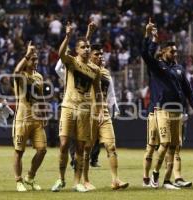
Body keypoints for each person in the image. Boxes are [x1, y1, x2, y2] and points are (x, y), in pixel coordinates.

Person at [141, 18, 193, 189]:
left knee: (175, 147)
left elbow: (188, 89)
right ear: (162, 52)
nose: (175, 55)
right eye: (172, 52)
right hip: (160, 110)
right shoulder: (156, 67)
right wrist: (149, 36)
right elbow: (146, 54)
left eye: (176, 52)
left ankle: (169, 180)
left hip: (178, 111)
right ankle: (151, 175)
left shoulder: (179, 69)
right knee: (160, 145)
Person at [51, 22, 103, 192]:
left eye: (88, 47)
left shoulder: (95, 69)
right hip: (68, 106)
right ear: (77, 50)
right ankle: (60, 179)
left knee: (81, 147)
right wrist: (67, 36)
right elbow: (60, 53)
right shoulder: (71, 62)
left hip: (85, 110)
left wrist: (100, 109)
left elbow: (98, 92)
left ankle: (77, 182)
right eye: (83, 47)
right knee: (64, 144)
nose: (87, 49)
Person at [82, 41, 129, 190]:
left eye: (101, 54)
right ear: (89, 56)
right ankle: (85, 180)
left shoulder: (106, 73)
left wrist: (114, 108)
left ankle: (115, 180)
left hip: (104, 113)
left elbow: (111, 94)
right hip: (89, 113)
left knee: (111, 145)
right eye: (97, 54)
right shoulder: (84, 69)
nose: (100, 56)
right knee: (87, 148)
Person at [55, 48, 101, 169]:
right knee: (69, 139)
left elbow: (84, 50)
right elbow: (58, 66)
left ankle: (83, 163)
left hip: (84, 107)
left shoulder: (89, 70)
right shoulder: (69, 68)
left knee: (84, 141)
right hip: (69, 105)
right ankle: (72, 162)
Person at [12, 41, 47, 192]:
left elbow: (41, 97)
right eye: (33, 59)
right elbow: (15, 71)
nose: (35, 62)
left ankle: (30, 177)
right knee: (19, 151)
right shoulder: (21, 75)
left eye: (36, 59)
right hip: (22, 118)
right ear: (26, 60)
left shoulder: (39, 76)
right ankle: (18, 181)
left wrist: (44, 112)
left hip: (36, 119)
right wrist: (27, 54)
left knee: (42, 149)